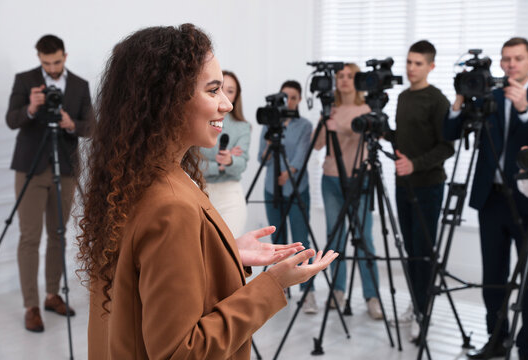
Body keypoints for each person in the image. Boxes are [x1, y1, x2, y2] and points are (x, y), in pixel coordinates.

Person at [77, 24, 338, 360]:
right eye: (213, 90)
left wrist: (226, 252)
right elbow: (182, 352)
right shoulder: (171, 204)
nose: (227, 105)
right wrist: (273, 283)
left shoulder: (135, 179)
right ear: (168, 99)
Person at [445, 37, 528, 360]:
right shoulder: (487, 95)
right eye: (506, 58)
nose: (511, 64)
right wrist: (459, 100)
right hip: (490, 200)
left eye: (518, 58)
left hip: (526, 201)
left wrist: (523, 110)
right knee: (493, 277)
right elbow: (452, 133)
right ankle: (496, 340)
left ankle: (524, 346)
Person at [5, 34, 94, 332]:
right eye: (46, 63)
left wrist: (72, 125)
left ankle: (52, 294)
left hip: (65, 168)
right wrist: (31, 108)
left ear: (65, 57)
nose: (52, 67)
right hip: (30, 166)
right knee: (29, 237)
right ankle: (31, 305)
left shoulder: (80, 85)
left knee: (58, 233)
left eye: (56, 61)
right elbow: (11, 120)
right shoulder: (24, 80)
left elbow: (91, 126)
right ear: (39, 59)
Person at [391, 40, 453, 341]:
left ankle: (422, 313)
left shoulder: (437, 100)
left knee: (424, 252)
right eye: (409, 62)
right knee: (410, 251)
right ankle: (415, 304)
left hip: (428, 186)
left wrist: (415, 165)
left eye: (418, 63)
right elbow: (403, 137)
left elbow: (447, 146)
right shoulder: (402, 97)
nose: (411, 68)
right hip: (402, 185)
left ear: (431, 66)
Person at [313, 63, 383, 320]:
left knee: (364, 238)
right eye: (340, 76)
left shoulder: (366, 110)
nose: (344, 81)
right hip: (330, 181)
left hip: (359, 180)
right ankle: (338, 290)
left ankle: (372, 296)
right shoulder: (330, 109)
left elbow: (362, 134)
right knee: (335, 238)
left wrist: (339, 128)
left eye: (349, 76)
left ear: (358, 81)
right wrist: (325, 122)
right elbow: (318, 144)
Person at [257, 80, 317, 313]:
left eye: (293, 97)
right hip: (272, 189)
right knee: (278, 242)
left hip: (296, 188)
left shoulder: (304, 125)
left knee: (301, 241)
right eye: (285, 97)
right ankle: (280, 287)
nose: (289, 101)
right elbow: (262, 159)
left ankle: (308, 291)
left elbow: (302, 155)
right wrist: (268, 146)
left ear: (299, 99)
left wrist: (288, 172)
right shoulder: (269, 124)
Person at [200, 70, 250, 237]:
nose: (224, 95)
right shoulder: (199, 123)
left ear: (237, 96)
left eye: (230, 90)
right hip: (201, 193)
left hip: (230, 197)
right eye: (218, 89)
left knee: (228, 251)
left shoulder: (243, 127)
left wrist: (230, 162)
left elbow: (240, 165)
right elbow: (193, 164)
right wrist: (222, 165)